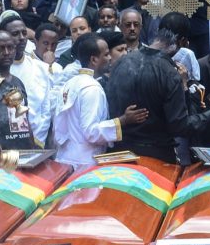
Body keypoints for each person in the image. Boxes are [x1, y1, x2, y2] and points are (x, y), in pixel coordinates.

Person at [104, 26, 210, 162]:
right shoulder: (169, 73)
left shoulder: (121, 63)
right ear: (181, 44)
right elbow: (180, 126)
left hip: (119, 153)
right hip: (156, 156)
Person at [52, 32, 146, 167]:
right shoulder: (91, 88)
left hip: (66, 157)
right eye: (106, 54)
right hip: (83, 163)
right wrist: (123, 120)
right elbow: (92, 132)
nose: (109, 58)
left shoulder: (71, 83)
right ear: (94, 60)